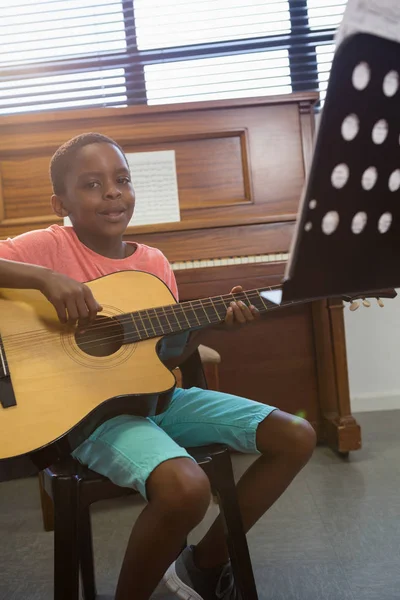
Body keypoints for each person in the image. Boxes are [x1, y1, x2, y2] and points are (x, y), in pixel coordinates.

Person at [0, 133, 316, 600]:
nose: (112, 192)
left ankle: (204, 565)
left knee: (296, 434)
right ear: (59, 202)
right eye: (91, 184)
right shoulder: (45, 247)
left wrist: (213, 326)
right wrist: (45, 279)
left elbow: (164, 355)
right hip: (89, 417)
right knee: (186, 488)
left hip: (154, 399)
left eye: (121, 180)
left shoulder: (153, 263)